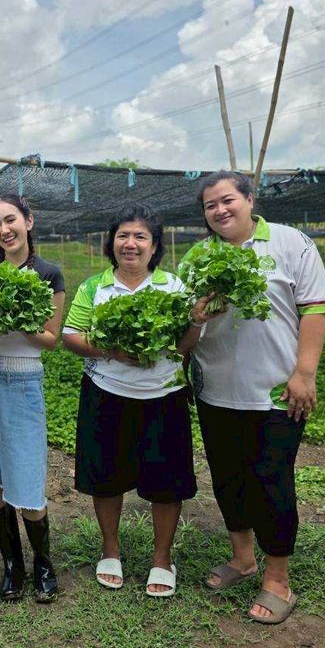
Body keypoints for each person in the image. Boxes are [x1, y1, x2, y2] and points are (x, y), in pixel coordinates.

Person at [183, 170, 325, 625]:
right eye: (210, 205)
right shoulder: (197, 257)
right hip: (215, 391)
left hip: (274, 393)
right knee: (228, 477)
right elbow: (185, 334)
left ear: (249, 199)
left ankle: (278, 578)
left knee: (272, 479)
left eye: (227, 200)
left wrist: (304, 373)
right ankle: (242, 558)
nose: (220, 210)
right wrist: (196, 314)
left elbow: (315, 308)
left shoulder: (290, 243)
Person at [62, 204, 209, 598]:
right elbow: (71, 336)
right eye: (123, 235)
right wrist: (109, 347)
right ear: (112, 243)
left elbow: (183, 345)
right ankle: (110, 550)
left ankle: (162, 559)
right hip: (106, 396)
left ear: (154, 245)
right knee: (106, 477)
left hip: (163, 397)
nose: (130, 243)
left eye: (140, 236)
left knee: (166, 481)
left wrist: (195, 320)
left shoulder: (174, 288)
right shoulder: (95, 287)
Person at [0, 194, 64, 603]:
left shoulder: (48, 274)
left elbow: (51, 340)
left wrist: (16, 319)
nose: (4, 230)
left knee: (26, 475)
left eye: (11, 220)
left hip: (23, 385)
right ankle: (12, 566)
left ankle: (43, 564)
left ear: (28, 220)